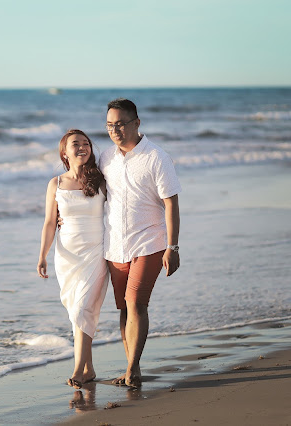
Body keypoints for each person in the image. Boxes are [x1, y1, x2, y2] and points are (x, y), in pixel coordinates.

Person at [100, 98, 181, 388]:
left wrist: (173, 247)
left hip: (150, 241)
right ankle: (129, 364)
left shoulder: (157, 157)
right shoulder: (106, 158)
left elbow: (171, 204)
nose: (115, 130)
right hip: (115, 245)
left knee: (136, 303)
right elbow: (95, 196)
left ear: (136, 122)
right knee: (124, 307)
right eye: (110, 125)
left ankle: (133, 368)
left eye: (120, 123)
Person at [37, 129, 109, 389]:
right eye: (75, 144)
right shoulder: (55, 183)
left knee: (82, 309)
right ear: (64, 152)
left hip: (97, 252)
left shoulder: (101, 180)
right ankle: (89, 369)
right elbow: (48, 223)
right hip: (67, 255)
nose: (82, 147)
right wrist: (42, 255)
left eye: (86, 143)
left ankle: (78, 370)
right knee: (78, 311)